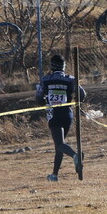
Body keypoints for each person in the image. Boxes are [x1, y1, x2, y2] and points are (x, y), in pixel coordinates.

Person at [36, 53, 86, 181]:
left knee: (59, 144)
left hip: (54, 115)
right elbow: (82, 94)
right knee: (59, 145)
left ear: (51, 66)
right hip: (67, 114)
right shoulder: (71, 79)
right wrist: (75, 98)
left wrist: (45, 100)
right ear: (64, 67)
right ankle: (54, 175)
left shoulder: (45, 80)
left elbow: (38, 99)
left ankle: (75, 156)